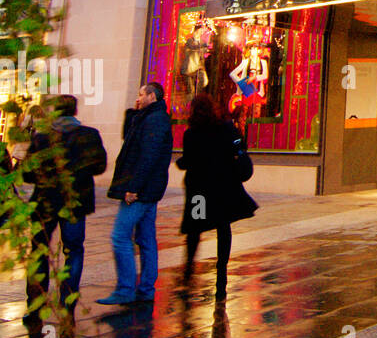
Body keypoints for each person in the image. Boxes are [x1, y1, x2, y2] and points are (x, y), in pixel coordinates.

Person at [24, 95, 107, 317]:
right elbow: (99, 166)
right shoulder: (89, 136)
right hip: (74, 203)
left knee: (39, 252)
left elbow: (27, 172)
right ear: (74, 111)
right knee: (74, 250)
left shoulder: (43, 137)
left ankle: (35, 301)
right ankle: (67, 301)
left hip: (45, 202)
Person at [97, 82, 172, 306]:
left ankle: (126, 288)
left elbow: (148, 156)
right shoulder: (148, 117)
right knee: (146, 238)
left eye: (141, 94)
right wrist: (134, 112)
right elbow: (128, 138)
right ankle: (146, 287)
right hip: (148, 189)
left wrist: (134, 187)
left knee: (120, 236)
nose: (138, 97)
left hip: (142, 189)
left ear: (152, 96)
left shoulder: (156, 120)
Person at [178, 93, 257, 301]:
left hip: (199, 190)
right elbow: (240, 147)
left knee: (195, 229)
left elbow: (189, 160)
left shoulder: (192, 134)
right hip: (223, 186)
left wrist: (181, 163)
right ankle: (221, 274)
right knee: (223, 228)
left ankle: (188, 269)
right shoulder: (225, 127)